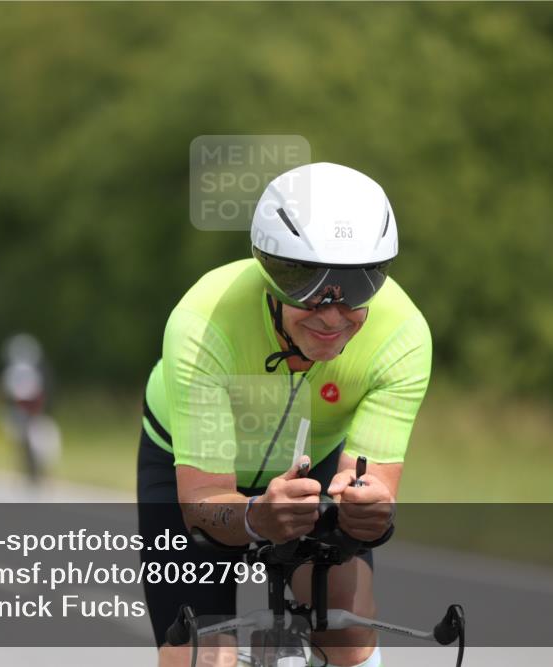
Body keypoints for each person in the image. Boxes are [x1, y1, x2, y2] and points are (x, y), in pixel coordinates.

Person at [138, 162, 432, 667]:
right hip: (187, 466)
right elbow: (205, 502)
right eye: (306, 284)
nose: (332, 312)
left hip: (313, 463)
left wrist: (367, 514)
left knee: (349, 631)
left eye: (359, 285)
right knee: (201, 655)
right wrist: (257, 517)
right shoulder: (202, 320)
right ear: (270, 270)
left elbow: (369, 504)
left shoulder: (403, 338)